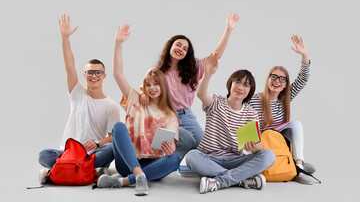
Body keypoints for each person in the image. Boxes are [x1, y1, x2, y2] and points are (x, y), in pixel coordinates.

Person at [140, 13, 240, 159]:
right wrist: (143, 94)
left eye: (185, 49)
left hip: (186, 116)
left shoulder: (192, 69)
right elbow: (144, 91)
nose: (181, 49)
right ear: (170, 47)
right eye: (178, 45)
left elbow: (215, 56)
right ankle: (168, 164)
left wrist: (228, 30)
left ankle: (193, 165)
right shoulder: (155, 72)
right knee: (166, 147)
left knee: (203, 147)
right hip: (165, 117)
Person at [96, 24, 180, 196]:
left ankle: (126, 181)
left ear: (163, 86)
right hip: (127, 162)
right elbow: (117, 74)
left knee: (175, 159)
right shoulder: (135, 98)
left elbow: (170, 146)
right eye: (148, 85)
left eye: (156, 84)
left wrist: (169, 149)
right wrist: (118, 43)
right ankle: (137, 175)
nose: (152, 88)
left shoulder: (170, 115)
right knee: (118, 126)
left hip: (152, 163)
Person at [38, 14, 120, 183]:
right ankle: (85, 170)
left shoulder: (111, 106)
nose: (94, 75)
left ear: (104, 76)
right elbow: (69, 66)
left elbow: (112, 137)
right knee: (44, 155)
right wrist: (65, 37)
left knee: (110, 150)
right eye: (90, 72)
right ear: (85, 75)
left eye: (98, 72)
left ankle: (60, 170)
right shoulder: (78, 94)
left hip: (92, 153)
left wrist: (97, 143)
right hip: (69, 151)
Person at [185, 54, 275, 194]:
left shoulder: (251, 113)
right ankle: (241, 180)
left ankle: (219, 182)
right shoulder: (216, 102)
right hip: (209, 157)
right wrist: (207, 74)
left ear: (250, 90)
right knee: (191, 156)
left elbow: (259, 147)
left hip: (236, 160)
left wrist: (255, 147)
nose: (241, 87)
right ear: (230, 84)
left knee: (269, 155)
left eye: (246, 85)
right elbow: (201, 94)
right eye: (238, 82)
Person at [249, 35, 315, 184]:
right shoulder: (254, 98)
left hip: (278, 140)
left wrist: (304, 55)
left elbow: (303, 79)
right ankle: (292, 166)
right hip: (260, 142)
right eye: (273, 77)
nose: (277, 81)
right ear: (267, 80)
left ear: (286, 85)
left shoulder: (284, 100)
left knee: (296, 124)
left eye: (282, 79)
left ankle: (298, 166)